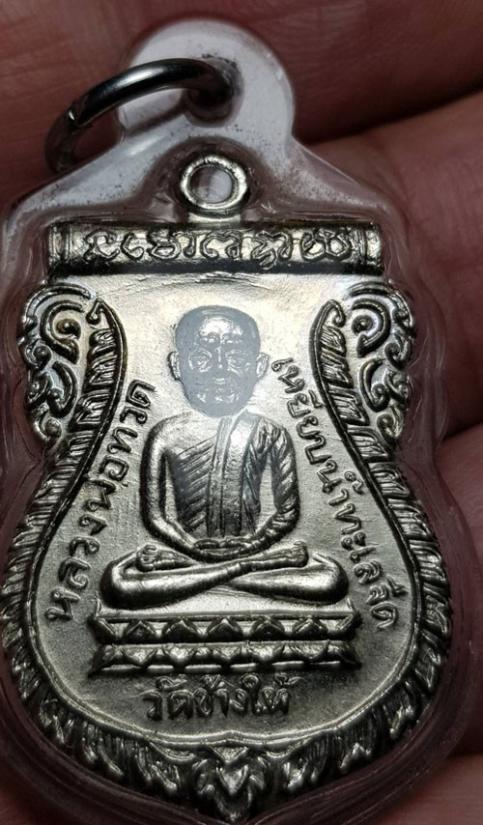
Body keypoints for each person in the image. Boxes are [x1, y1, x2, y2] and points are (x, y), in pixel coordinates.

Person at [101, 305, 347, 607]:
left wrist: (252, 546)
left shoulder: (271, 431)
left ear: (258, 366)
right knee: (118, 585)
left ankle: (213, 575)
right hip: (191, 554)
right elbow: (155, 517)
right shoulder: (166, 434)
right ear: (177, 365)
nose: (220, 368)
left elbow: (287, 512)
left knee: (330, 581)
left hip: (216, 560)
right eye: (202, 357)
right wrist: (192, 548)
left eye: (236, 358)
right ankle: (237, 573)